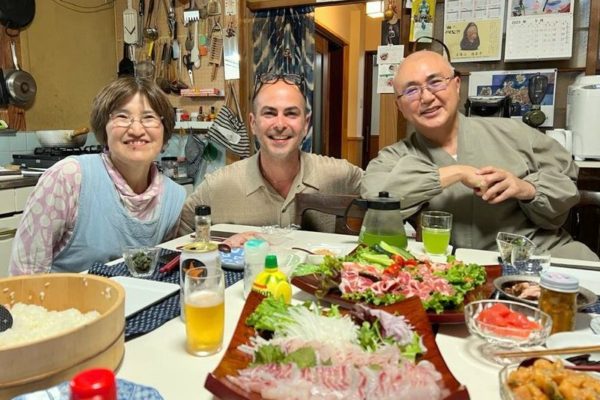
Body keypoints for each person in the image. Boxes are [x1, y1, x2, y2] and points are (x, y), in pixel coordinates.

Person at [361, 50, 598, 261]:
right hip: (456, 269)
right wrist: (456, 172)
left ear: (456, 85)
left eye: (435, 82)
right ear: (400, 106)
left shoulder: (513, 132)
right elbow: (376, 197)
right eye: (411, 90)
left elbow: (566, 182)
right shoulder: (395, 156)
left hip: (542, 258)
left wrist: (526, 189)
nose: (427, 97)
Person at [10, 77, 186, 274]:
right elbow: (26, 273)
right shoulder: (69, 178)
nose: (136, 130)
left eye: (149, 117)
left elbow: (163, 271)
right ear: (104, 128)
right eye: (122, 116)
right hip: (63, 294)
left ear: (164, 130)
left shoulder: (173, 197)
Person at [178, 73, 363, 237]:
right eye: (269, 113)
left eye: (291, 113)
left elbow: (379, 194)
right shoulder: (217, 187)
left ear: (306, 124)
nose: (280, 124)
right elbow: (178, 245)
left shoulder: (340, 174)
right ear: (253, 123)